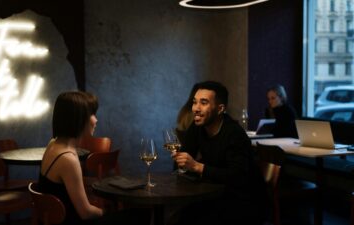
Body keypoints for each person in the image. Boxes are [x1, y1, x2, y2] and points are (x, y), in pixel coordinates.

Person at [37, 91, 150, 225]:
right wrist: (105, 213)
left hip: (58, 219)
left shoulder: (53, 144)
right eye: (92, 114)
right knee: (142, 214)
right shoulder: (68, 159)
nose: (95, 120)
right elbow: (85, 213)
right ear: (78, 118)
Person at [172, 81, 269, 225]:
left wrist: (197, 167)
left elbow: (238, 177)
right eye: (194, 102)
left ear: (220, 109)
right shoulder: (198, 126)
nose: (196, 109)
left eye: (203, 102)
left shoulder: (234, 133)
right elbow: (183, 160)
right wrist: (181, 160)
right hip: (218, 193)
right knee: (178, 217)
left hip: (245, 200)